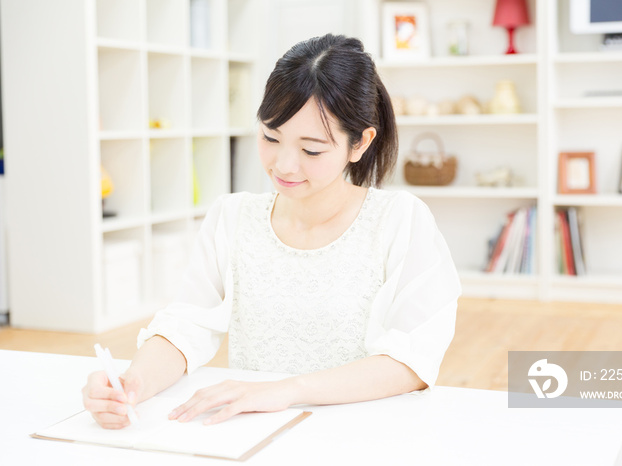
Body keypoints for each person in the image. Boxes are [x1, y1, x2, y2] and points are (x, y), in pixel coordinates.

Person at [82, 33, 461, 429]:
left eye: (311, 149)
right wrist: (131, 384)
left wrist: (285, 390)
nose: (284, 166)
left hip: (359, 432)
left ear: (360, 143)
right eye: (270, 137)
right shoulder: (232, 216)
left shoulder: (400, 220)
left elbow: (411, 362)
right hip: (253, 432)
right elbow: (184, 326)